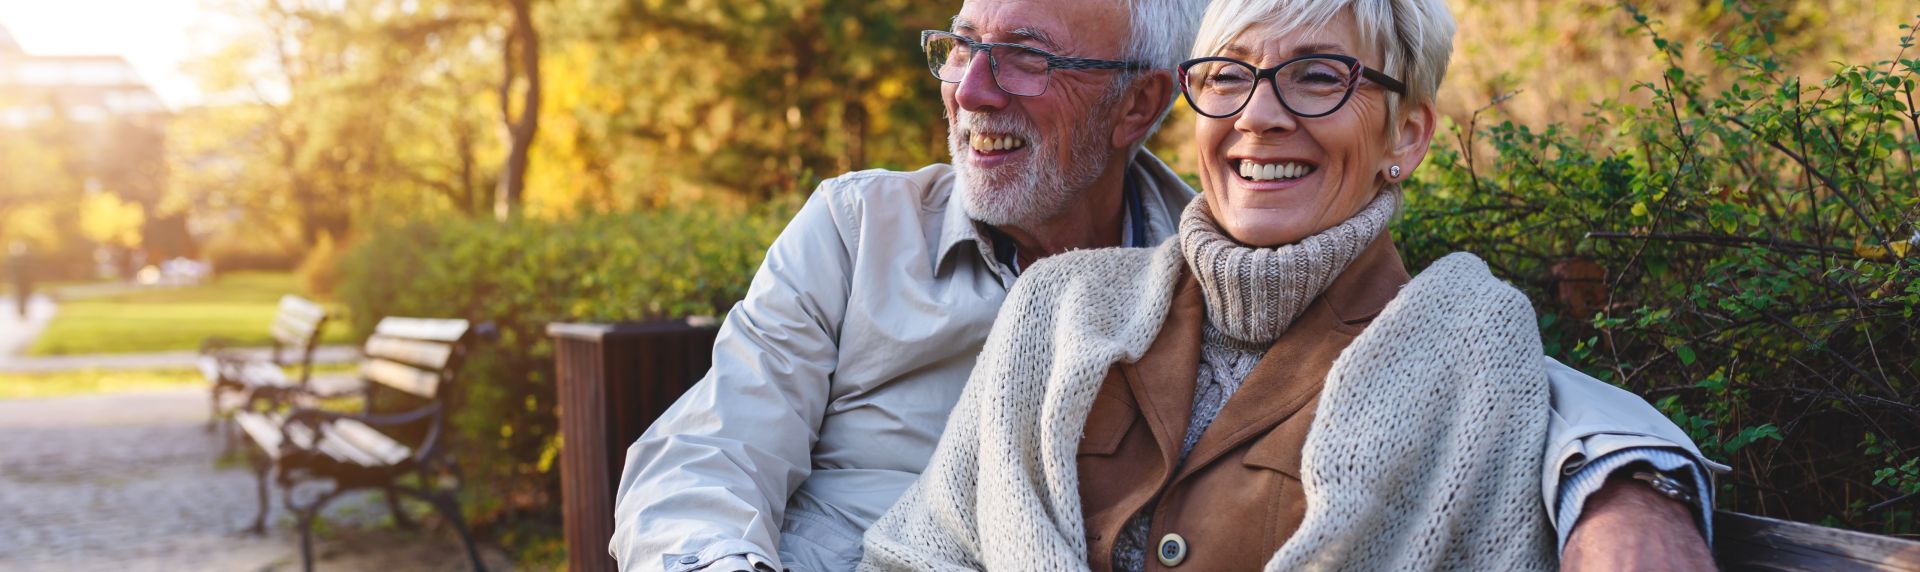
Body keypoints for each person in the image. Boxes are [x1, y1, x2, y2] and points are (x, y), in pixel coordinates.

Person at [616, 0, 1718, 570]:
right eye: (961, 48)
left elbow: (1469, 356)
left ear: (1142, 107)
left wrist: (1633, 478)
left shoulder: (1419, 322)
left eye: (1027, 57)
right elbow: (708, 454)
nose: (973, 90)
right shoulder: (869, 232)